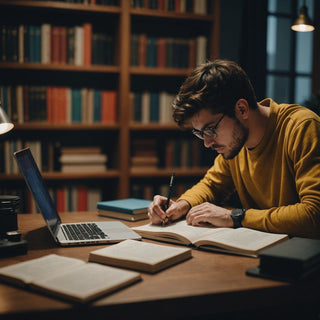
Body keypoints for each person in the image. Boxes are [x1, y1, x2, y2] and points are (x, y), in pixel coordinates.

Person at [148, 59, 320, 239]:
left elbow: (314, 213)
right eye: (200, 133)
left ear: (242, 109)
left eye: (211, 129)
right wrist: (181, 205)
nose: (207, 142)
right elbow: (212, 185)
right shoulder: (235, 145)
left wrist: (236, 217)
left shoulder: (302, 128)